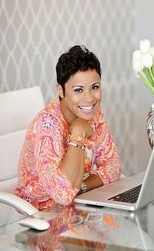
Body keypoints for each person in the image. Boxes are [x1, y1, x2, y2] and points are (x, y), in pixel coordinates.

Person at [14, 45, 121, 210]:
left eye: (95, 87)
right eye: (78, 90)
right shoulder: (47, 124)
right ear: (61, 91)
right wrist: (78, 132)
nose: (89, 98)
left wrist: (82, 187)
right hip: (40, 215)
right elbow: (63, 195)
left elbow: (113, 166)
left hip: (79, 205)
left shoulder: (94, 114)